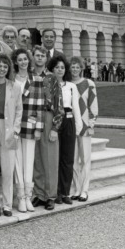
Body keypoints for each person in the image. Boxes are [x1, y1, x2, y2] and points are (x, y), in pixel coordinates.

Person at [12, 47, 44, 212]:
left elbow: (40, 105)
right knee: (17, 162)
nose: (23, 62)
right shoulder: (12, 80)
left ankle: (28, 196)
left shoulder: (36, 79)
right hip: (15, 125)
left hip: (30, 124)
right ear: (16, 62)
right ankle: (20, 197)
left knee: (28, 161)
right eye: (20, 60)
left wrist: (39, 127)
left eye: (25, 59)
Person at [31, 44, 64, 210]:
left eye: (42, 56)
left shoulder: (51, 78)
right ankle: (39, 194)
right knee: (36, 158)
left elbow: (59, 104)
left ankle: (50, 195)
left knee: (50, 158)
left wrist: (55, 128)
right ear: (33, 57)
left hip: (48, 116)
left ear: (46, 59)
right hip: (31, 117)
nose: (39, 58)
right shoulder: (28, 76)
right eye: (37, 55)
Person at [0, 54, 22, 217]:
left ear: (8, 68)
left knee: (8, 169)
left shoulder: (14, 86)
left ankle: (7, 204)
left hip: (9, 129)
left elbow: (19, 109)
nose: (1, 69)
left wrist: (16, 130)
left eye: (5, 66)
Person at [48, 56, 82, 205]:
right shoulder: (49, 85)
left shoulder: (71, 86)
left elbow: (76, 107)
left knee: (67, 158)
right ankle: (54, 192)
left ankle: (65, 192)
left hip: (68, 121)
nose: (60, 70)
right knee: (55, 158)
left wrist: (78, 126)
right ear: (52, 69)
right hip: (54, 121)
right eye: (57, 67)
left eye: (62, 67)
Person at [69, 55, 98, 202]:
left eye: (77, 67)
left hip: (85, 126)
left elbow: (93, 105)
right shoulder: (67, 84)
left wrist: (91, 124)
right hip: (70, 126)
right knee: (73, 159)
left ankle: (85, 190)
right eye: (72, 66)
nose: (74, 69)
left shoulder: (89, 83)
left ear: (81, 68)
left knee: (85, 159)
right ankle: (76, 188)